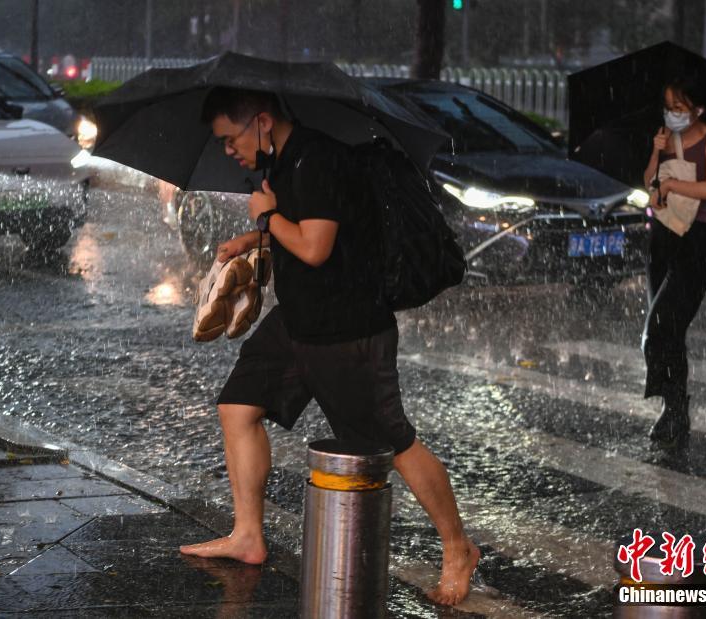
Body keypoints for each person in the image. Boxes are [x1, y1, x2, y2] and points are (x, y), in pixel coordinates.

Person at [179, 87, 480, 606]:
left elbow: (316, 249)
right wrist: (254, 240)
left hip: (348, 330)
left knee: (394, 443)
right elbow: (314, 228)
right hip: (296, 322)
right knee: (237, 407)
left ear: (263, 121)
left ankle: (458, 547)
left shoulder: (319, 160)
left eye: (231, 139)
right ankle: (248, 534)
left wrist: (265, 219)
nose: (229, 151)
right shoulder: (286, 162)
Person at [641, 76, 706, 450]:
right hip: (661, 238)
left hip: (694, 241)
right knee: (667, 333)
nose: (671, 114)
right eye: (668, 107)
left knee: (661, 325)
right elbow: (650, 185)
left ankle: (676, 408)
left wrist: (673, 186)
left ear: (698, 109)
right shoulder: (666, 138)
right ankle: (674, 409)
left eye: (678, 107)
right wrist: (656, 152)